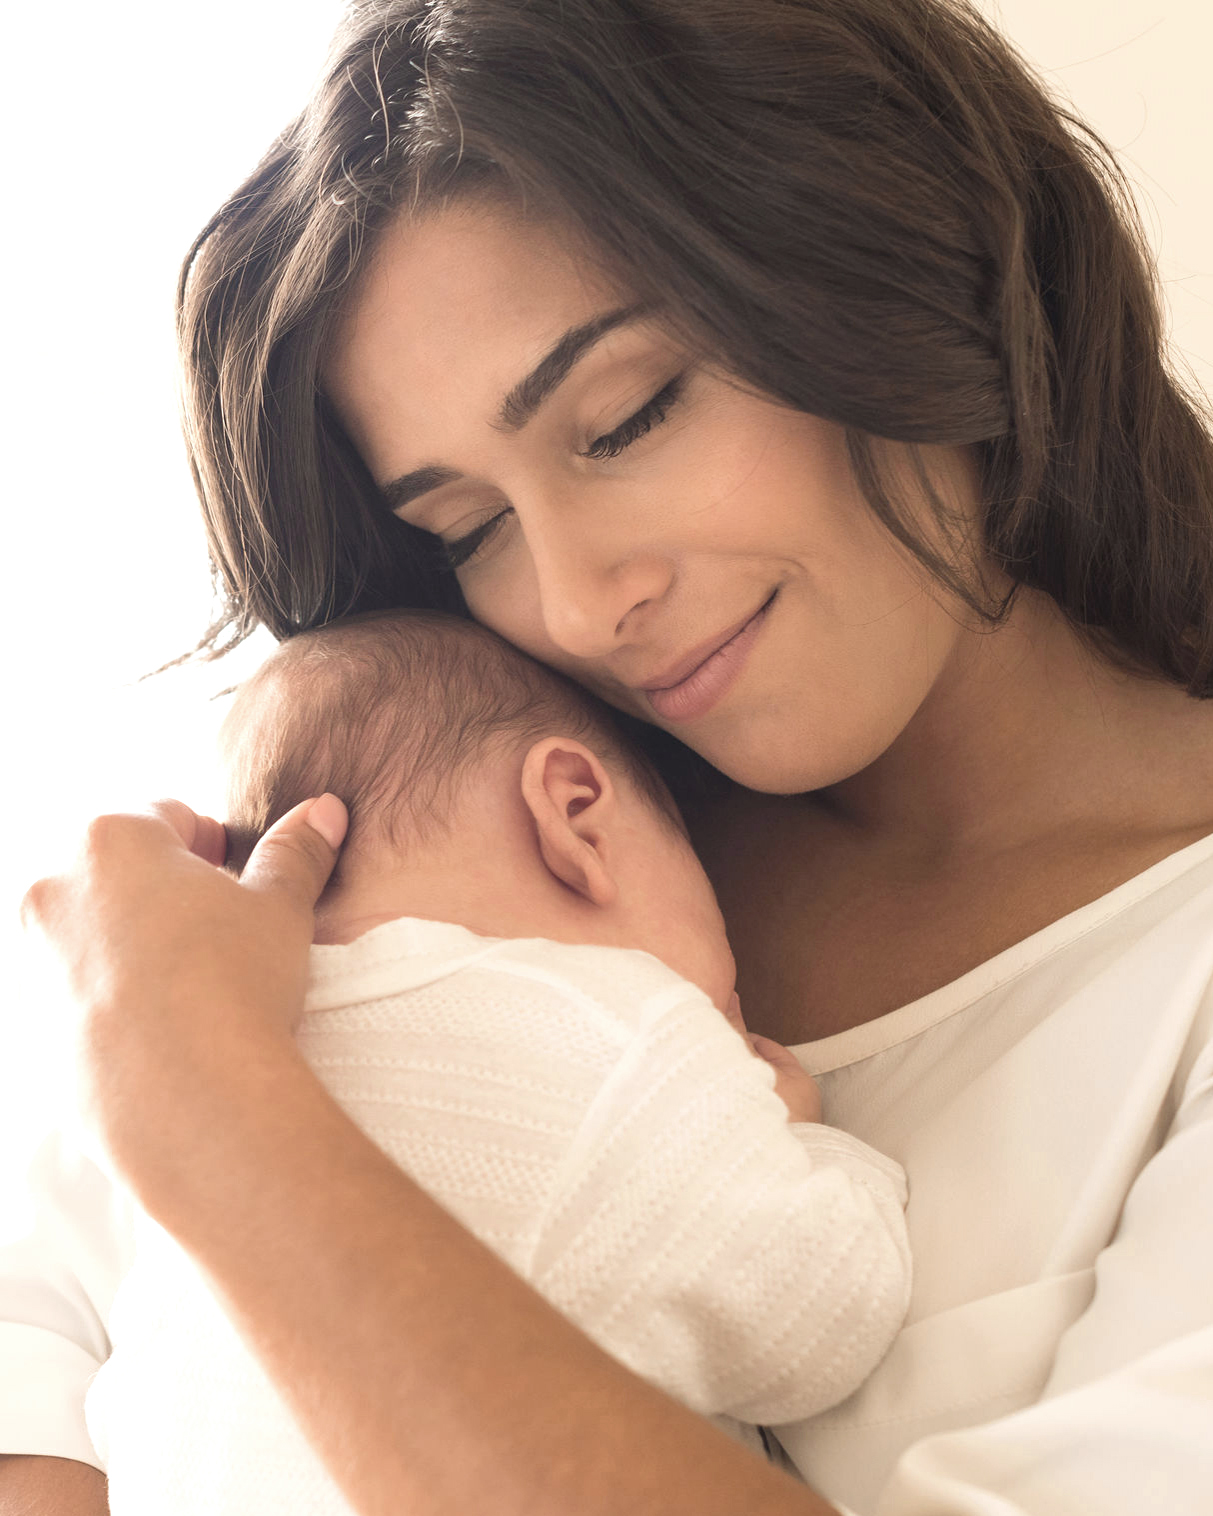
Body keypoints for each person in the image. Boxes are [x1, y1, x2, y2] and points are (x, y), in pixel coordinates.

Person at [6, 0, 1213, 1512]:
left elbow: (157, 1126)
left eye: (627, 415)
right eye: (470, 529)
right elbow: (48, 1323)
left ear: (899, 259)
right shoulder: (466, 851)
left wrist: (215, 1117)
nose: (578, 606)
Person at [85, 607, 910, 1514]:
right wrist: (802, 1142)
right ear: (578, 816)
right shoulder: (614, 1034)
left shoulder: (195, 1075)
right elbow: (819, 1327)